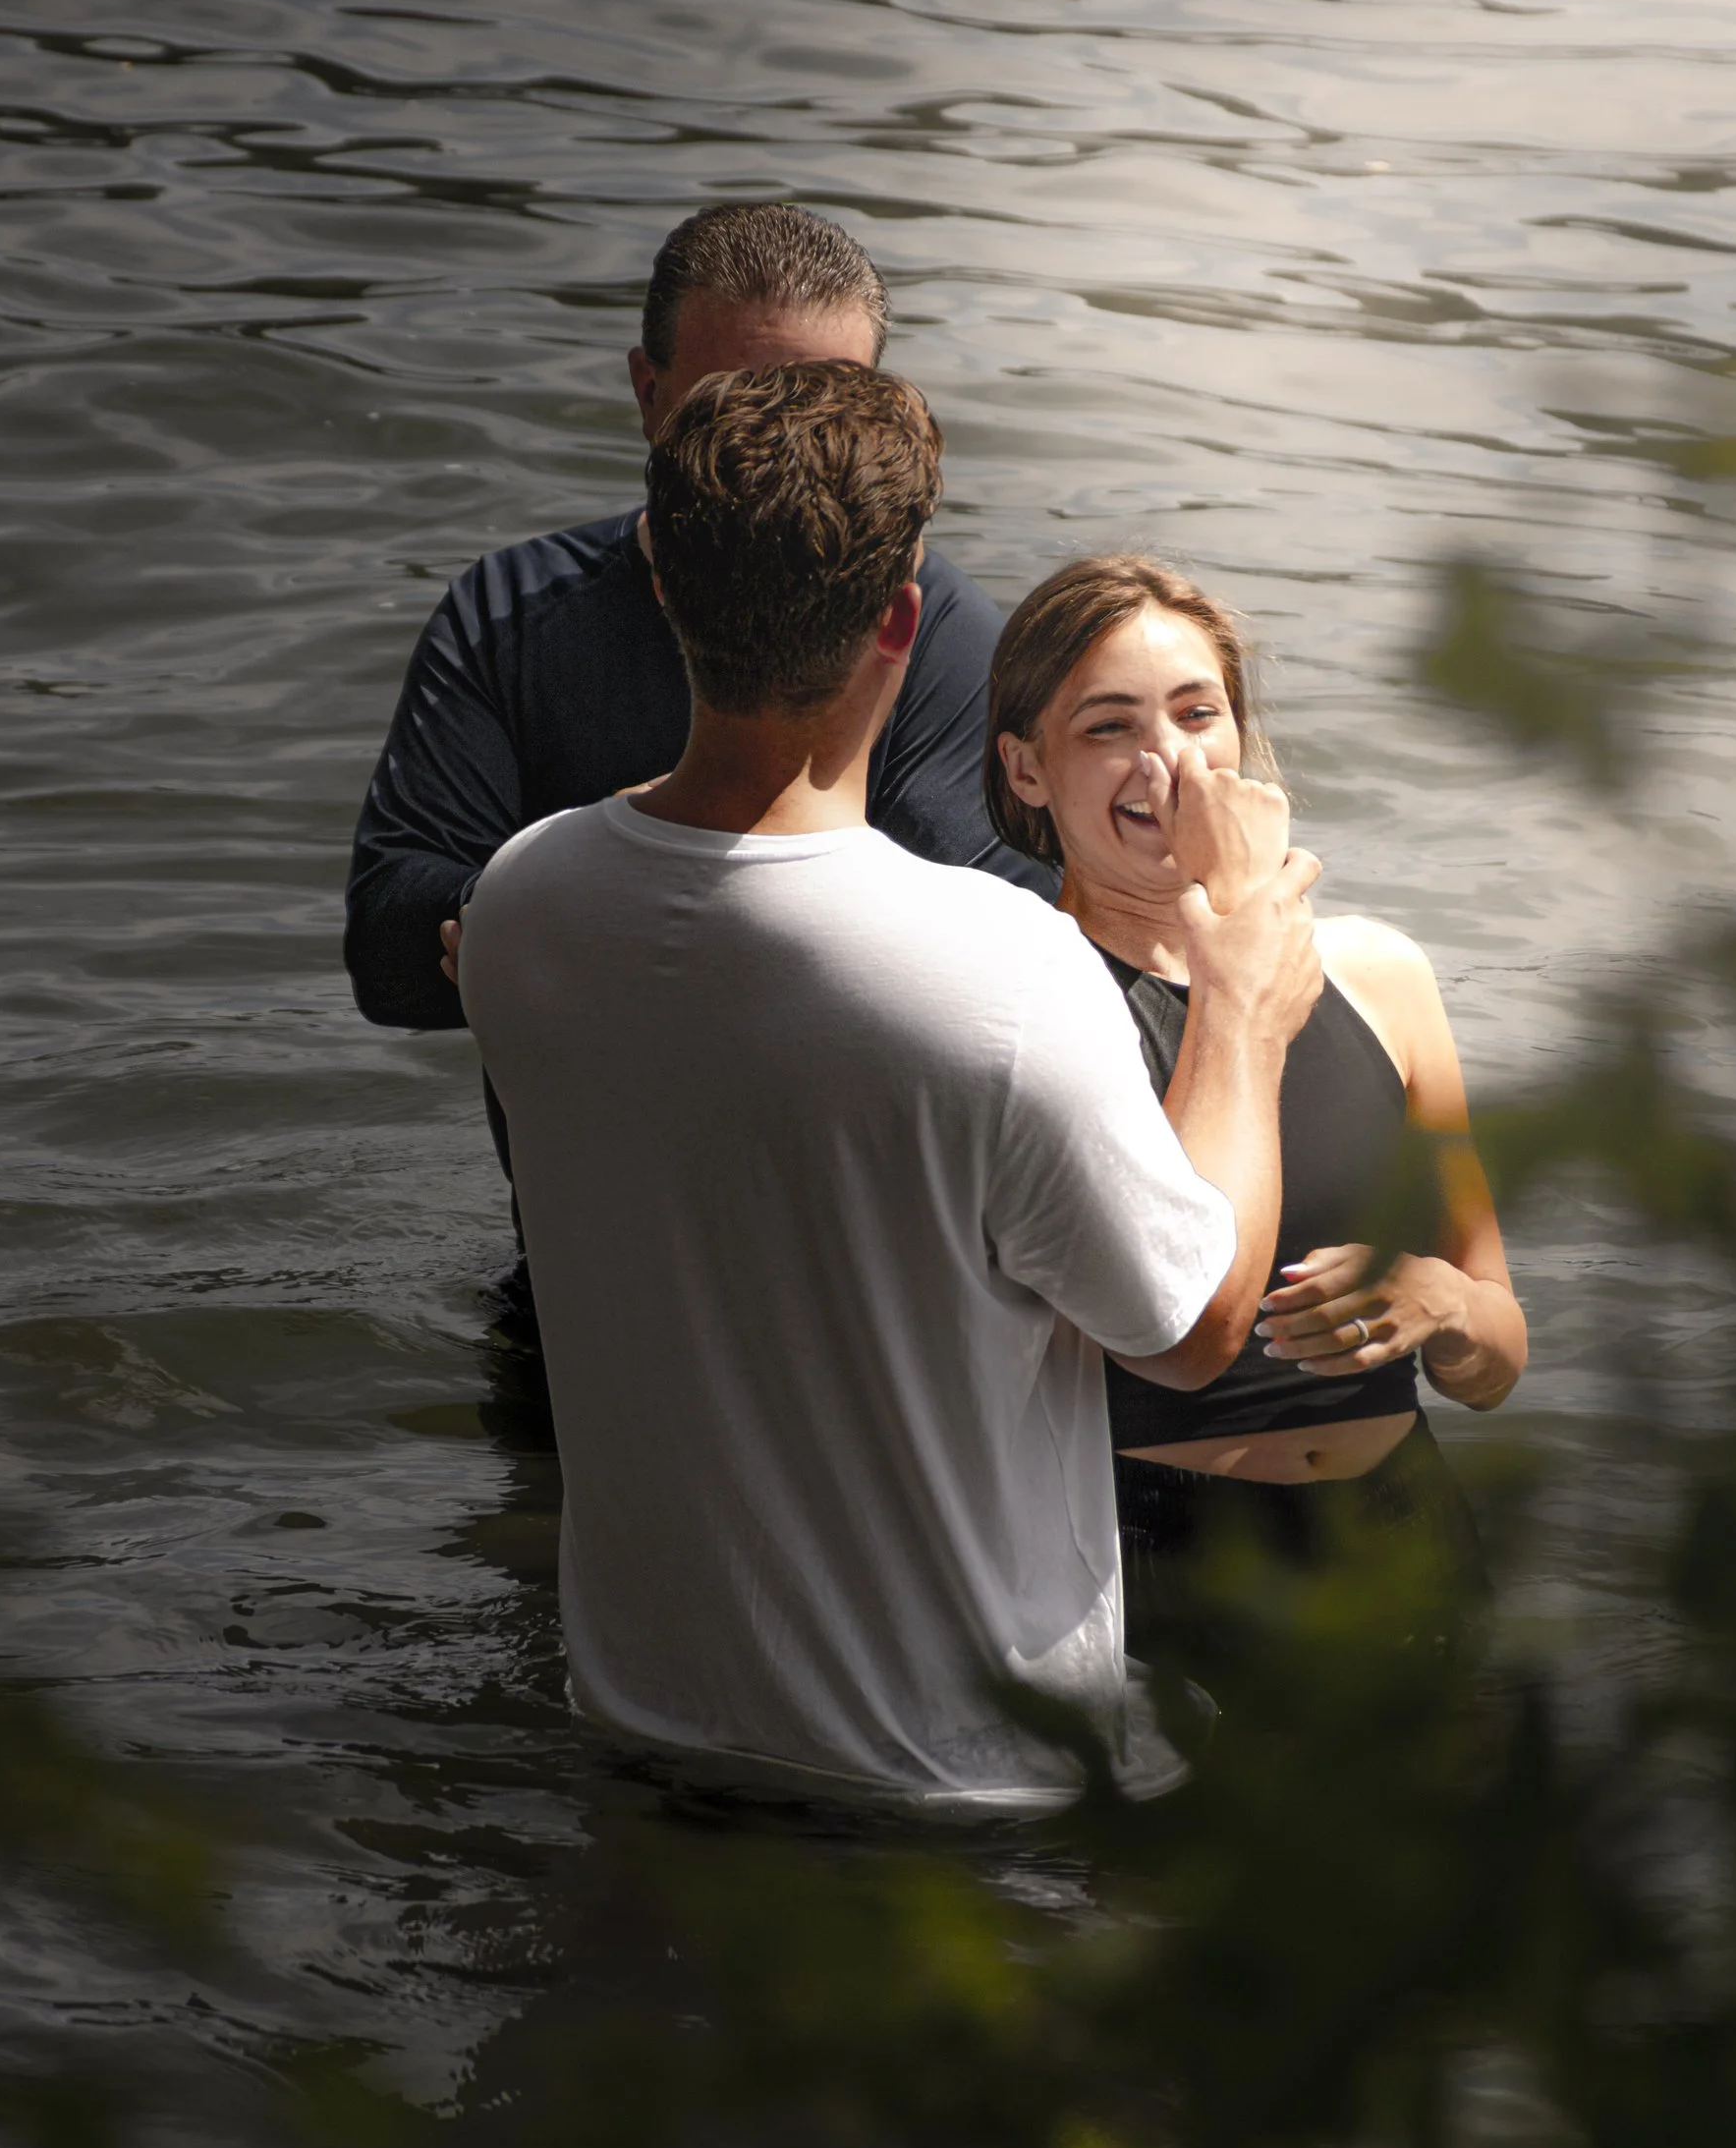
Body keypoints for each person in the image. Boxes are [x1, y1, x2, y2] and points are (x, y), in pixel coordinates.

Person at [456, 366, 1322, 1813]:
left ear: (663, 585)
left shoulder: (522, 906)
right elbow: (1191, 1326)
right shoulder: (998, 972)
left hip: (639, 1747)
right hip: (957, 1799)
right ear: (901, 623)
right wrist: (1239, 1005)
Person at [344, 200, 1046, 1048]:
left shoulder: (950, 637)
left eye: (828, 406)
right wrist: (578, 895)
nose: (782, 448)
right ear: (650, 391)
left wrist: (573, 911)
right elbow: (389, 951)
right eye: (739, 404)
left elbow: (995, 956)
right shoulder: (511, 618)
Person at [984, 554, 1528, 1613]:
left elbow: (1499, 1362)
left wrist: (1445, 1304)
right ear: (1025, 769)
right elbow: (1168, 1296)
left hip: (1402, 1534)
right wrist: (1235, 907)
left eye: (1197, 714)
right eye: (1108, 728)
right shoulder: (1022, 999)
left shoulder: (1382, 977)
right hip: (1148, 1550)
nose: (1168, 763)